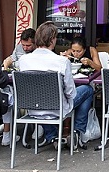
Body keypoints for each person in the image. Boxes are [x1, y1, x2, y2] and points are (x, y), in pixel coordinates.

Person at [19, 21, 94, 150]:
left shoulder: (23, 61)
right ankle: (77, 131)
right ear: (53, 40)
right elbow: (71, 92)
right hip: (57, 108)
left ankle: (52, 136)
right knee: (88, 89)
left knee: (44, 101)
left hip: (32, 109)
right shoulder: (62, 61)